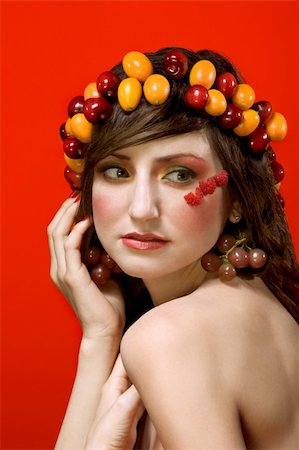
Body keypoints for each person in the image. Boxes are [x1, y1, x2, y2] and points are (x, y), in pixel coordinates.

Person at [48, 47, 299, 449]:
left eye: (180, 175)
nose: (142, 208)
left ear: (236, 198)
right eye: (117, 171)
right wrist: (99, 336)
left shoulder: (169, 336)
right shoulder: (259, 306)